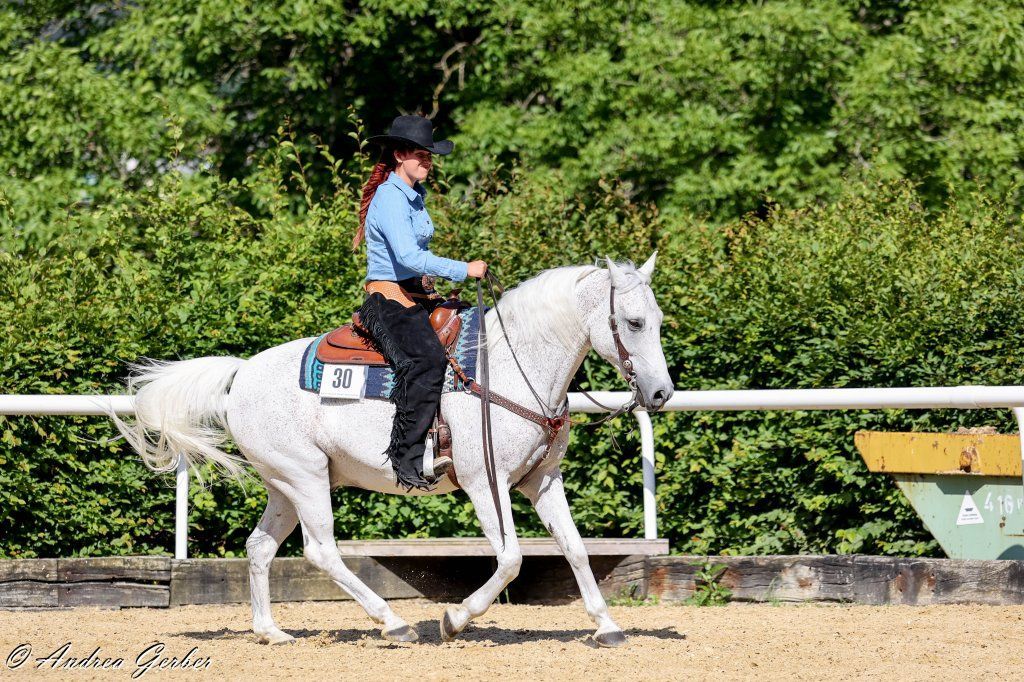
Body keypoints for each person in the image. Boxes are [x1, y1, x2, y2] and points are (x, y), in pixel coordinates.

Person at [353, 114, 488, 491]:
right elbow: (410, 258)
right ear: (399, 155)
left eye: (429, 156)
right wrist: (464, 268)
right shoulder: (390, 198)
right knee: (425, 361)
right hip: (390, 297)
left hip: (416, 293)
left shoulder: (414, 196)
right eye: (420, 155)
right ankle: (408, 459)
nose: (427, 161)